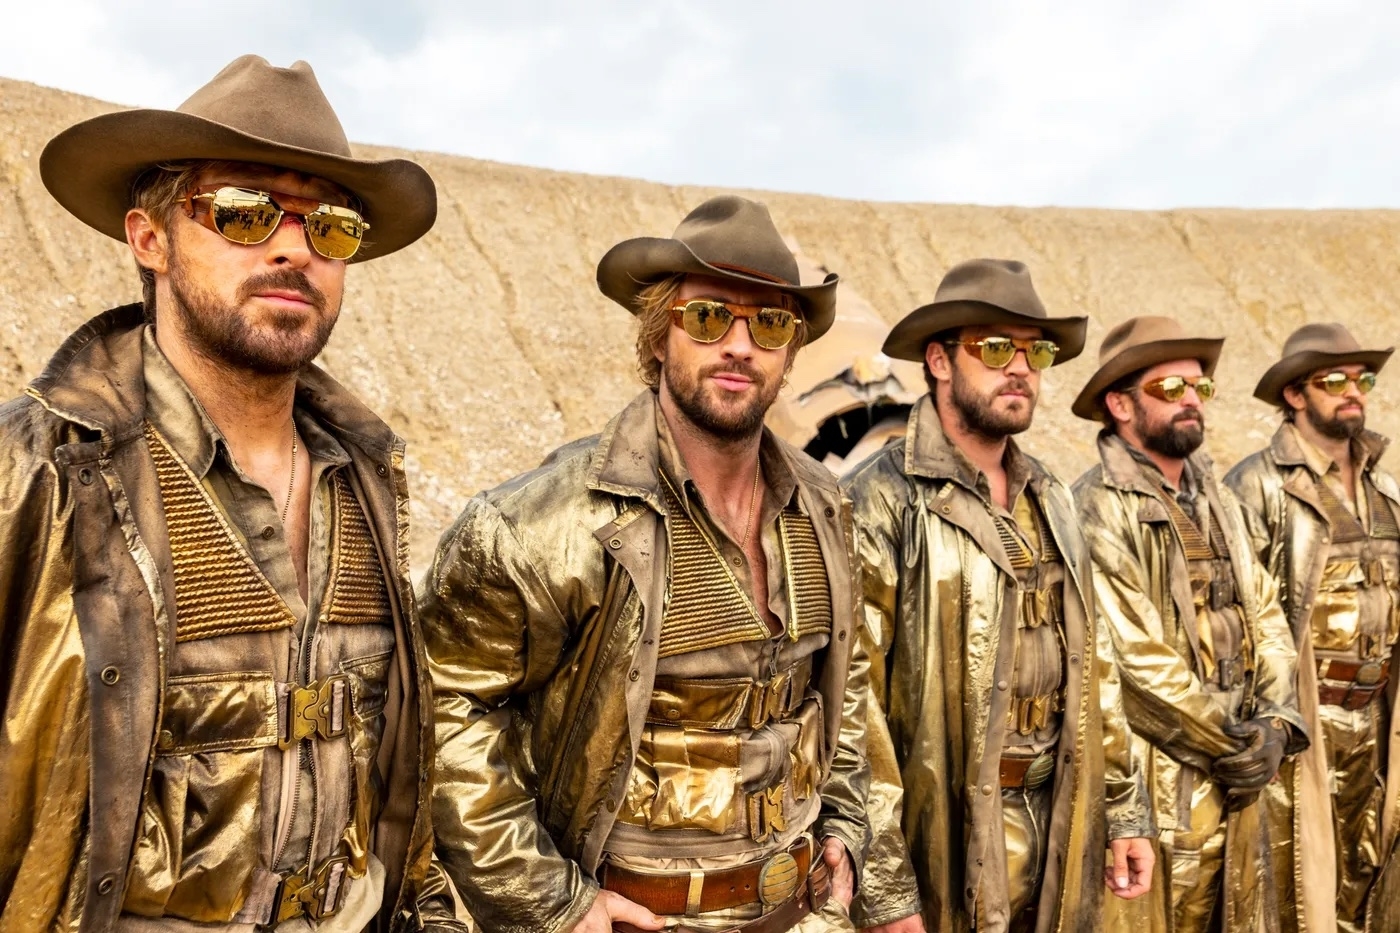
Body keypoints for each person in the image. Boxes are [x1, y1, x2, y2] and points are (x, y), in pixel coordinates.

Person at [0, 56, 444, 932]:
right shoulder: (44, 467)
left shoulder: (368, 481)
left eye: (332, 227)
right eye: (242, 212)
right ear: (150, 238)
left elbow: (394, 776)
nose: (292, 247)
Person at [422, 195, 870, 933]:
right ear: (660, 335)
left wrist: (847, 825)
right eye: (707, 317)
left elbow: (842, 689)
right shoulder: (543, 522)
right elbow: (444, 706)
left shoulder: (825, 507)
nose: (739, 344)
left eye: (769, 323)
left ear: (790, 352)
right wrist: (552, 903)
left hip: (801, 913)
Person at [843, 259, 1155, 933]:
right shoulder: (881, 499)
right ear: (939, 359)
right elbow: (851, 706)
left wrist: (1126, 810)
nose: (1020, 367)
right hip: (946, 839)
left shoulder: (1053, 496)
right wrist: (887, 886)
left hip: (1060, 823)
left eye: (1035, 351)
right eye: (994, 347)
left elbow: (1095, 667)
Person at [1070, 316, 1307, 932]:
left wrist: (1278, 723)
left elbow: (1267, 614)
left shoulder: (1216, 497)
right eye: (1170, 390)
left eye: (1199, 389)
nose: (1192, 402)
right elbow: (1133, 660)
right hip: (1156, 777)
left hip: (1243, 766)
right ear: (1119, 404)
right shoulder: (1095, 506)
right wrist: (1235, 745)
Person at [1225, 323, 1400, 932]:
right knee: (1295, 888)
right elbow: (1240, 620)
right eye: (1334, 380)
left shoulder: (1386, 490)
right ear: (1295, 395)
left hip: (1378, 723)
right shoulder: (1255, 487)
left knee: (1371, 878)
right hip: (1302, 728)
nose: (1354, 391)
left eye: (1362, 379)